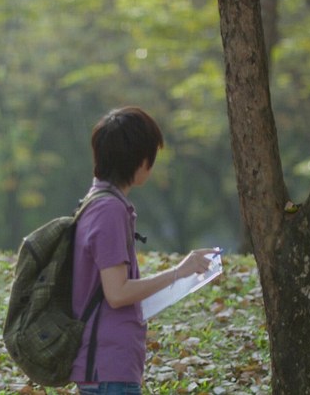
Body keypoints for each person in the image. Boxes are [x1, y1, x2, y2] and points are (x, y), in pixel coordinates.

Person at [70, 106, 213, 394]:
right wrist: (179, 272)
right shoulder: (109, 210)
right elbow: (117, 293)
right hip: (109, 367)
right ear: (141, 161)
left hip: (106, 366)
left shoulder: (98, 202)